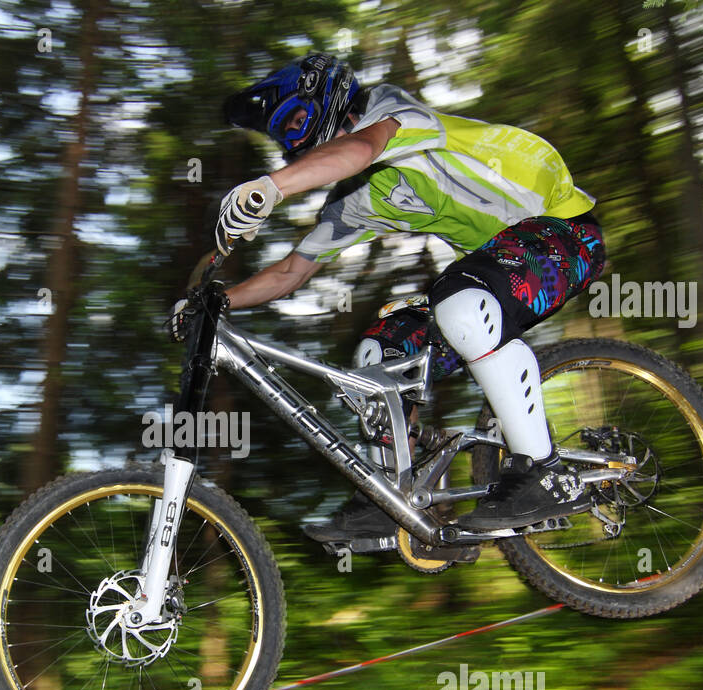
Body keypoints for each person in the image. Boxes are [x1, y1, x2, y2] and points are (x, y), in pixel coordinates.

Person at [179, 52, 607, 541]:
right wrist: (215, 302)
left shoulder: (391, 112)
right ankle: (395, 494)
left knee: (461, 302)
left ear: (327, 99)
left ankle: (544, 470)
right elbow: (290, 272)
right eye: (284, 135)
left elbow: (362, 147)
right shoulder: (356, 201)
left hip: (565, 234)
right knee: (378, 356)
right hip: (505, 271)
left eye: (295, 121)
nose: (292, 139)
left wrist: (270, 188)